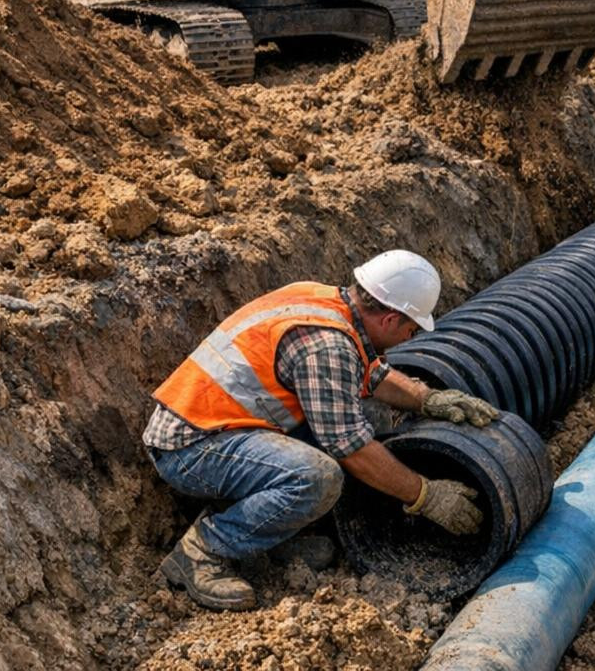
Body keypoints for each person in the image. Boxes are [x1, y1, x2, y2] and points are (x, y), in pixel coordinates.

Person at [142, 250, 500, 611]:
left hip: (224, 426)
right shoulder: (328, 345)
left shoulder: (323, 298)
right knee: (317, 477)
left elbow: (370, 377)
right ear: (391, 318)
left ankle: (269, 535)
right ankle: (203, 549)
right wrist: (426, 496)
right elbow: (352, 449)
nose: (410, 336)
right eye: (411, 327)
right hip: (193, 448)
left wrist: (428, 399)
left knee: (368, 417)